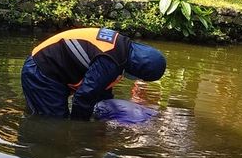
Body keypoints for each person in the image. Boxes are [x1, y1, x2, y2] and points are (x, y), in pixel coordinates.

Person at [21, 27, 167, 119]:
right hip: (41, 72)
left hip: (49, 68)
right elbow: (83, 97)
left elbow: (101, 88)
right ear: (139, 69)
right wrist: (80, 131)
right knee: (55, 126)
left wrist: (105, 114)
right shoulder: (110, 60)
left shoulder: (121, 47)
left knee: (40, 115)